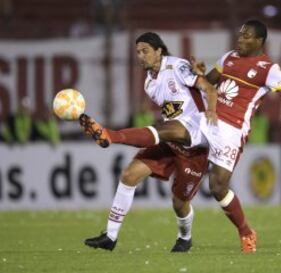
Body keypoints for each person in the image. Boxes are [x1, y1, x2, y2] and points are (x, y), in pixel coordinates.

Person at [82, 20, 281, 253]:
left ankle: (245, 231)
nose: (240, 39)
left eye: (246, 36)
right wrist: (199, 73)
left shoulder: (269, 69)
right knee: (160, 140)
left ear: (259, 41)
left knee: (217, 188)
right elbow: (208, 82)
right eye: (240, 34)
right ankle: (110, 141)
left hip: (231, 130)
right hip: (204, 121)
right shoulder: (228, 57)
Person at [82, 32, 218, 253]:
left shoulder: (177, 67)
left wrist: (211, 109)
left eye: (145, 51)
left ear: (159, 51)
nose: (140, 56)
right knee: (129, 175)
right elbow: (172, 111)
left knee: (179, 203)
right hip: (171, 137)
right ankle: (110, 236)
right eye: (137, 52)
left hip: (196, 138)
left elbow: (208, 88)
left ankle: (185, 237)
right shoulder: (149, 84)